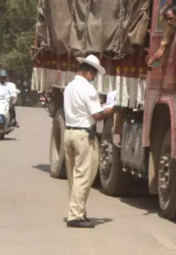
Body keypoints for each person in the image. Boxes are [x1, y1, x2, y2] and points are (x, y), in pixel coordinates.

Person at [64, 55, 114, 229]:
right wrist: (109, 110)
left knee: (73, 177)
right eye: (94, 75)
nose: (94, 78)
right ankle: (75, 216)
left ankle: (77, 211)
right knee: (84, 176)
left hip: (69, 132)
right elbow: (97, 115)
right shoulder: (88, 89)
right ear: (89, 72)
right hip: (83, 136)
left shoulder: (69, 87)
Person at [147, 4, 176, 69]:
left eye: (170, 18)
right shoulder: (169, 29)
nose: (168, 22)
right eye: (166, 20)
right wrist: (152, 59)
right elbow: (162, 49)